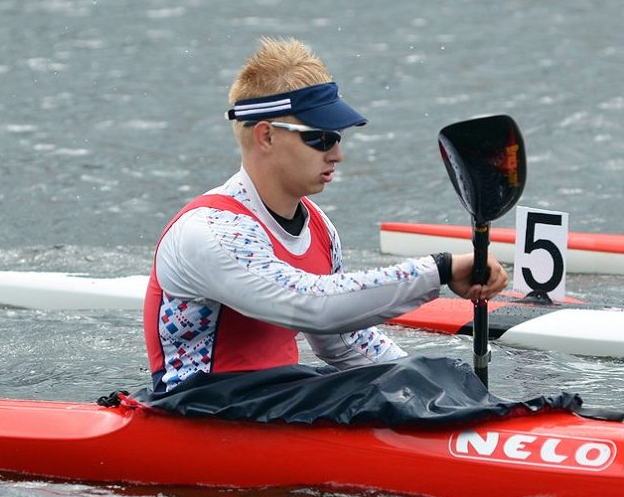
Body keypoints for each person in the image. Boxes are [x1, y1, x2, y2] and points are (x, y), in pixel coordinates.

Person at [137, 37, 543, 423]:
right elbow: (313, 306)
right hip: (196, 408)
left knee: (435, 374)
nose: (338, 154)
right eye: (321, 138)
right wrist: (439, 270)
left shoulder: (319, 227)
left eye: (338, 138)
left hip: (270, 402)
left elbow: (344, 342)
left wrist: (445, 395)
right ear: (266, 136)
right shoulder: (210, 231)